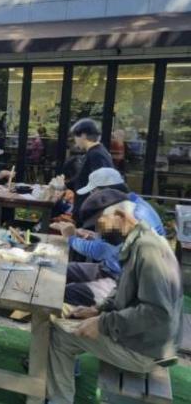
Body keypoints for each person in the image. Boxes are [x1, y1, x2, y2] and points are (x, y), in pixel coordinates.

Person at [46, 191, 183, 404]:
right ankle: (56, 379)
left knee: (60, 335)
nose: (98, 231)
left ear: (120, 215)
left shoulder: (147, 249)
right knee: (62, 311)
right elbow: (121, 288)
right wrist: (98, 310)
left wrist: (103, 323)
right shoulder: (138, 240)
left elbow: (156, 313)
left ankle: (58, 400)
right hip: (144, 338)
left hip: (147, 350)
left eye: (100, 223)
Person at [52, 190, 130, 307]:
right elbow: (105, 245)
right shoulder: (121, 217)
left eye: (99, 222)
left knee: (66, 292)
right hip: (108, 268)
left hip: (120, 282)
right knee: (61, 268)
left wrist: (71, 238)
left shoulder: (130, 230)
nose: (98, 227)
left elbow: (99, 250)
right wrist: (89, 236)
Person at [76, 167, 165, 236]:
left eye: (93, 191)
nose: (91, 196)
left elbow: (119, 249)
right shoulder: (132, 203)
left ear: (107, 191)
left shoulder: (133, 213)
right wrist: (94, 236)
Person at [66, 118, 114, 224]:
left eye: (75, 136)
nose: (75, 141)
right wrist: (65, 185)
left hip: (89, 214)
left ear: (83, 135)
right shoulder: (97, 152)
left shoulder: (96, 154)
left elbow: (101, 185)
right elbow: (84, 179)